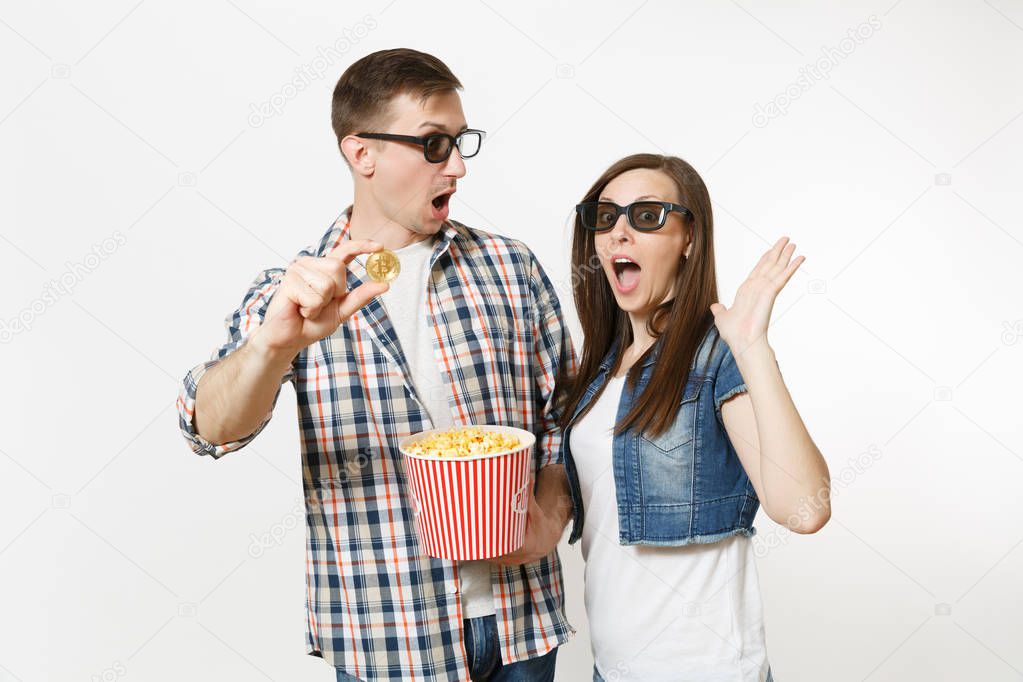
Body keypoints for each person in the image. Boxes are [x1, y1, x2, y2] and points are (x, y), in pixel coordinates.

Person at [176, 48, 576, 682]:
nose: (459, 165)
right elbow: (210, 428)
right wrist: (273, 346)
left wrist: (550, 518)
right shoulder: (292, 294)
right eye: (435, 144)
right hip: (385, 638)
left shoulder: (512, 267)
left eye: (461, 140)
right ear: (362, 154)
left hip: (519, 625)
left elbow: (563, 418)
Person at [556, 153, 832, 681]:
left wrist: (751, 348)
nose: (619, 232)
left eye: (646, 216)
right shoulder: (599, 373)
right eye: (606, 215)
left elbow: (804, 509)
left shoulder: (714, 356)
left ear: (689, 239)